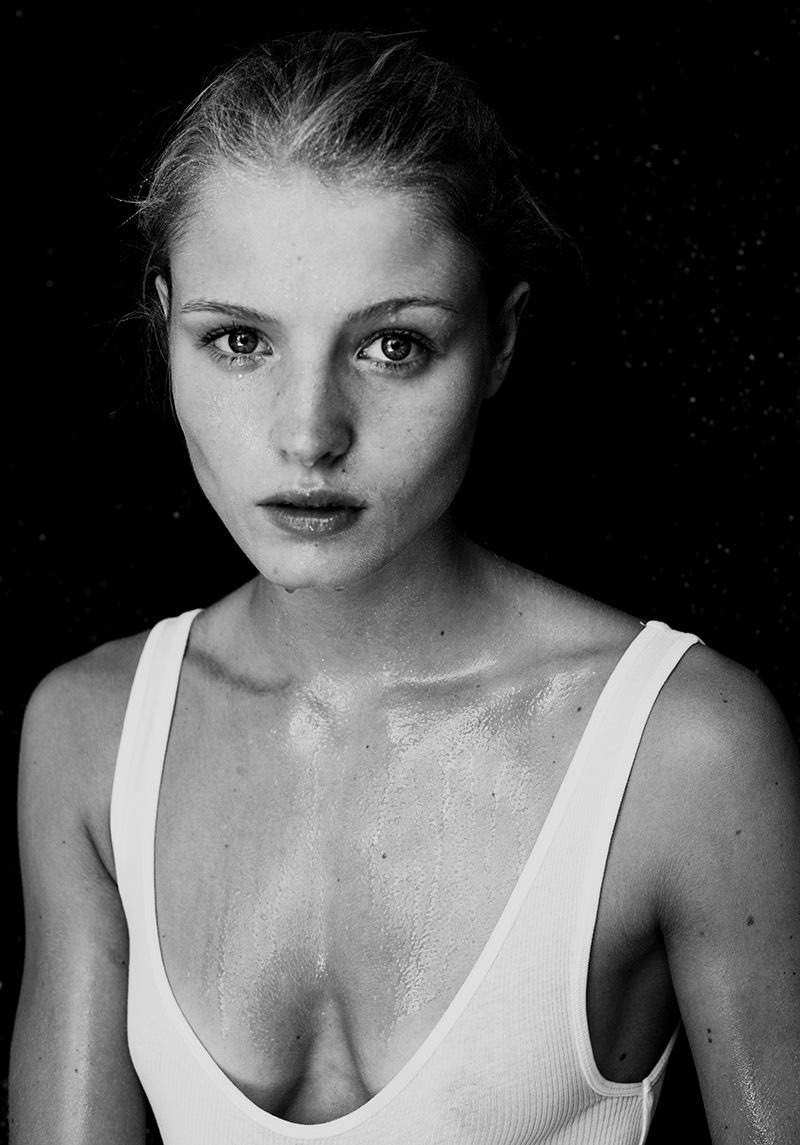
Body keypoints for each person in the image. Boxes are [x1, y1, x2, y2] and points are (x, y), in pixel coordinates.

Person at [10, 29, 798, 1145]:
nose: (308, 434)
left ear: (500, 345)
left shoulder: (681, 751)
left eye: (391, 347)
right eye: (238, 340)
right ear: (164, 323)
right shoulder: (90, 739)